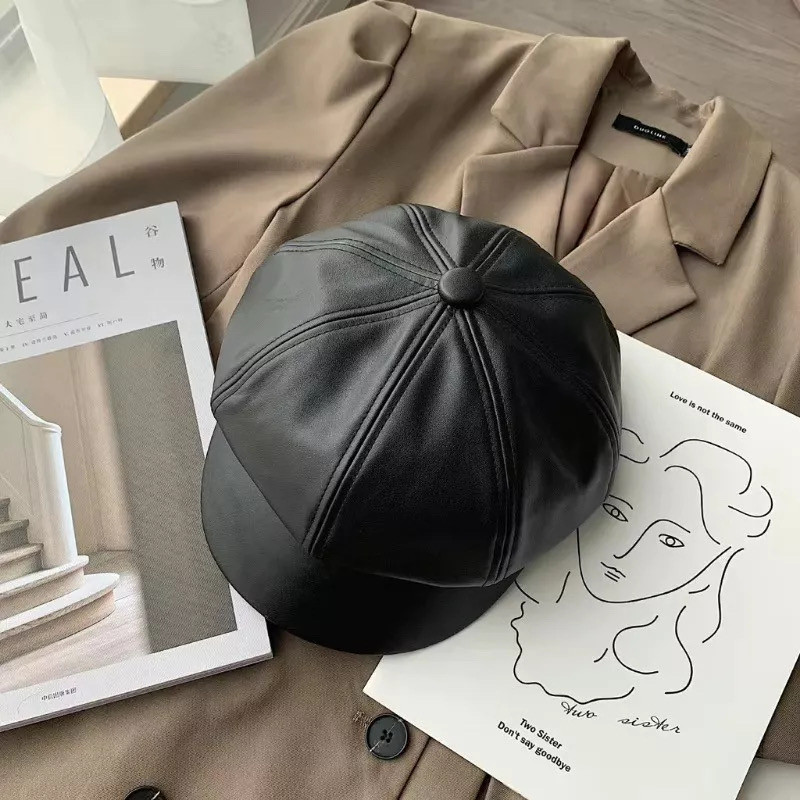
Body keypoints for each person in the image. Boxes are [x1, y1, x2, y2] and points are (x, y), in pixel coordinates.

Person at [511, 428, 773, 705]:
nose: (624, 553)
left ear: (714, 562)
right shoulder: (524, 615)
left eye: (670, 540)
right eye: (617, 512)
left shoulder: (678, 682)